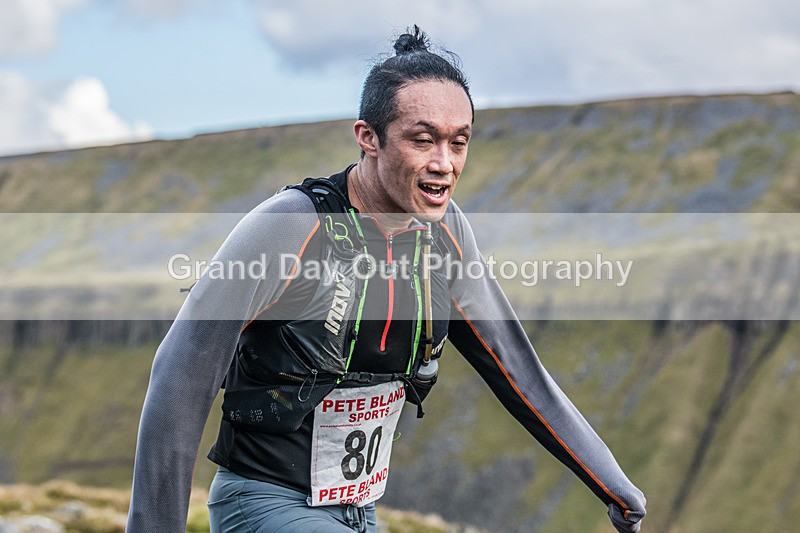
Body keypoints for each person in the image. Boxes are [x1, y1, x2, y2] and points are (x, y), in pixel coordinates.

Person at [127, 26, 646, 533]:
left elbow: (513, 364)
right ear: (368, 137)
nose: (443, 164)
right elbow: (179, 380)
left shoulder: (447, 234)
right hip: (265, 504)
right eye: (422, 140)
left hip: (361, 512)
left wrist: (609, 480)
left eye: (459, 142)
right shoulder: (291, 227)